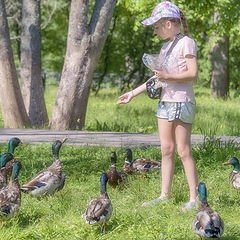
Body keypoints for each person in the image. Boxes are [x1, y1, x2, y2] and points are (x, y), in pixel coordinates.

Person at [117, 1, 198, 211]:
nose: (155, 30)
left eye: (157, 26)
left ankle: (194, 198)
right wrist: (132, 93)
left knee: (183, 150)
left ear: (169, 24)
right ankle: (165, 196)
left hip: (181, 101)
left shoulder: (187, 43)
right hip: (164, 102)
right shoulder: (165, 47)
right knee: (166, 149)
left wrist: (168, 76)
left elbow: (192, 73)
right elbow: (157, 79)